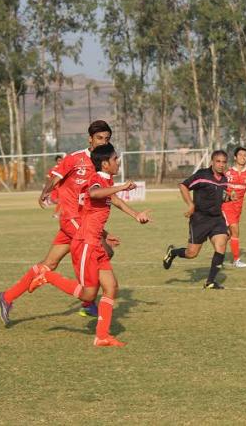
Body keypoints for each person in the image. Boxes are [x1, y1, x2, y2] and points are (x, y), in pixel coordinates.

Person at [0, 120, 118, 325]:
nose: (103, 142)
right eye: (99, 138)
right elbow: (55, 177)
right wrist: (45, 192)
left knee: (49, 264)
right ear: (90, 139)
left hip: (81, 221)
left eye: (107, 138)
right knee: (104, 252)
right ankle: (88, 303)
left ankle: (7, 297)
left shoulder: (103, 165)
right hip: (71, 219)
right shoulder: (75, 159)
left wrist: (104, 232)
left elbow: (93, 205)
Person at [28, 143, 151, 347]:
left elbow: (115, 200)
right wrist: (122, 186)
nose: (118, 162)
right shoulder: (95, 178)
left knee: (111, 287)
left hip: (96, 243)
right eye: (115, 159)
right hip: (85, 242)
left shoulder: (106, 180)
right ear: (105, 163)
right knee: (88, 294)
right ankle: (47, 276)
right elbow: (94, 193)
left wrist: (136, 215)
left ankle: (102, 336)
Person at [162, 150, 231, 289]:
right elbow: (183, 186)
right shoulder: (202, 175)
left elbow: (218, 196)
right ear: (212, 162)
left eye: (224, 162)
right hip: (200, 219)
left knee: (221, 245)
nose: (221, 164)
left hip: (217, 219)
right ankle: (173, 252)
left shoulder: (225, 179)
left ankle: (210, 282)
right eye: (218, 161)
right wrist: (191, 205)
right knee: (191, 253)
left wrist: (229, 197)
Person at [222, 147, 246, 268]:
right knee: (235, 231)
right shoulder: (227, 172)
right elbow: (219, 187)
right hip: (226, 205)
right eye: (240, 155)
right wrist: (227, 194)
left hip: (238, 207)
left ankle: (218, 257)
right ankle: (236, 260)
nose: (243, 157)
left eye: (245, 155)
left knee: (227, 235)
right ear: (235, 157)